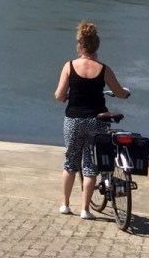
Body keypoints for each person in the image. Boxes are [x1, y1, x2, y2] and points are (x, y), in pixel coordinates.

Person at [54, 21, 130, 219]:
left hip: (74, 120)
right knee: (90, 165)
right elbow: (119, 92)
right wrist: (126, 94)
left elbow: (59, 95)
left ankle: (65, 205)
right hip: (97, 120)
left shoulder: (69, 66)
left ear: (79, 46)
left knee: (70, 161)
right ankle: (85, 209)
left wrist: (67, 96)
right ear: (97, 46)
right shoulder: (104, 69)